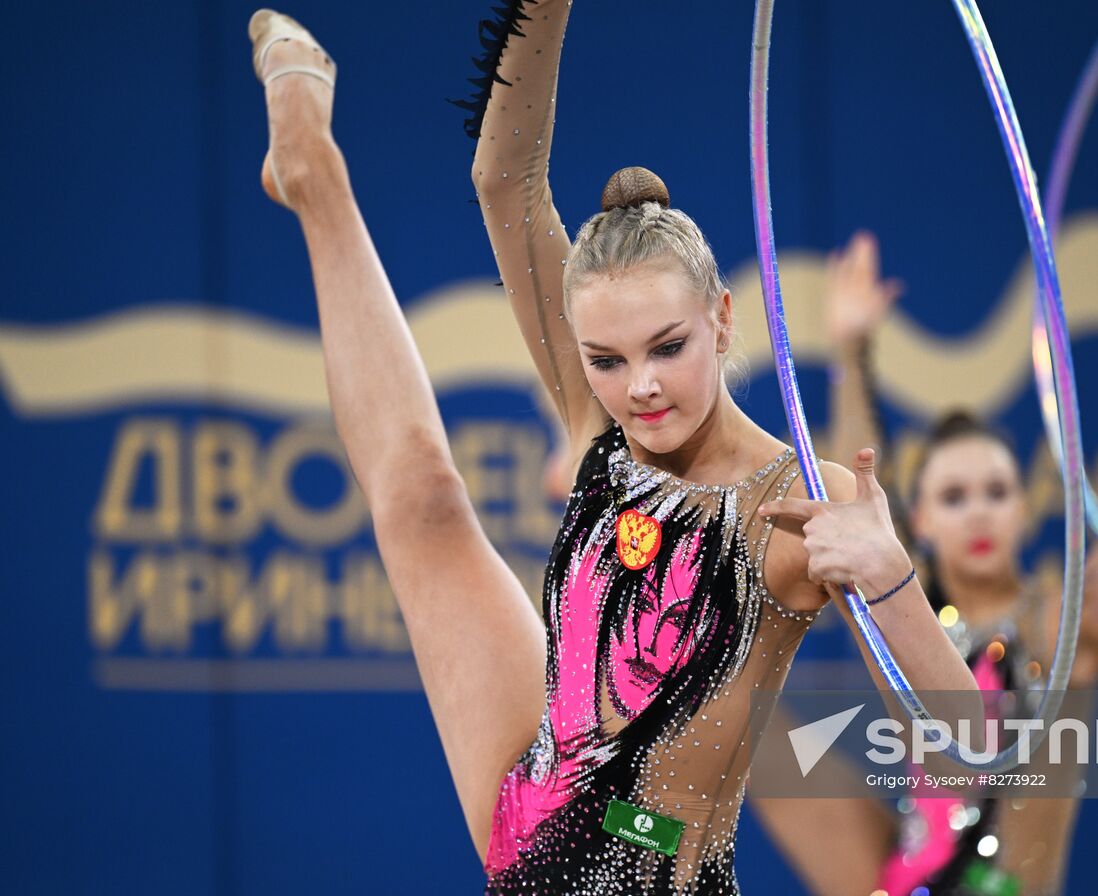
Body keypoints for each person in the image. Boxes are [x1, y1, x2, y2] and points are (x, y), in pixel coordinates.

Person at [247, 5, 978, 894]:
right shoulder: (607, 428)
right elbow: (504, 176)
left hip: (657, 874)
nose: (640, 388)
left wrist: (889, 576)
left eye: (668, 347)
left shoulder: (789, 503)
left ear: (721, 319)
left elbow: (967, 756)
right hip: (533, 816)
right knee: (423, 500)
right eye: (605, 360)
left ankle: (313, 177)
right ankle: (313, 171)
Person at [752, 232, 1098, 896]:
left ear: (1024, 508)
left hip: (1011, 886)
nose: (980, 513)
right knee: (756, 731)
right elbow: (852, 491)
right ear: (922, 522)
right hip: (905, 880)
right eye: (955, 498)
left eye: (997, 492)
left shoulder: (1068, 619)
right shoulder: (910, 608)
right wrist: (851, 346)